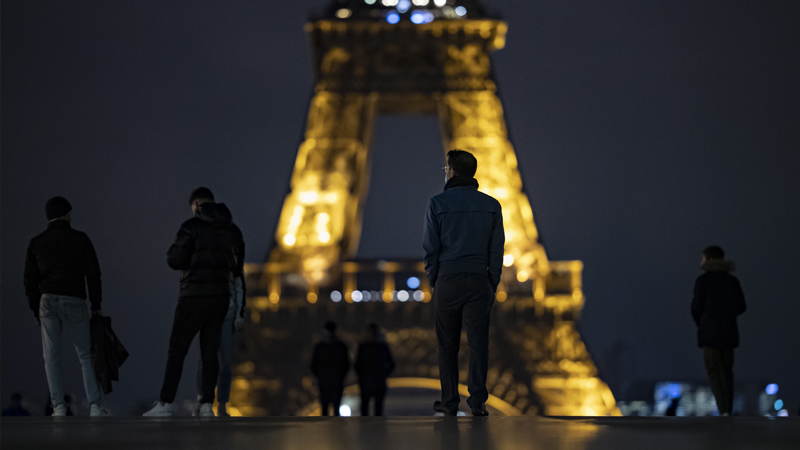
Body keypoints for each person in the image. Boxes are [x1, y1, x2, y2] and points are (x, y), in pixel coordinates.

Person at [144, 187, 245, 417]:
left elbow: (174, 260)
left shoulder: (191, 226)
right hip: (220, 299)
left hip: (193, 297)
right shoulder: (234, 231)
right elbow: (237, 268)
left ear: (196, 204)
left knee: (177, 351)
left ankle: (166, 403)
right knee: (210, 353)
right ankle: (207, 405)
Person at [423, 150, 504, 416]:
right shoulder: (492, 205)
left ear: (452, 171)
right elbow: (497, 249)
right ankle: (478, 400)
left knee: (447, 344)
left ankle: (449, 401)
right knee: (478, 343)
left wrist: (436, 278)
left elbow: (430, 248)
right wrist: (491, 282)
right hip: (479, 279)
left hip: (448, 278)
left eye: (446, 168)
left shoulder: (437, 204)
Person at [24, 197, 109, 417]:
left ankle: (58, 406)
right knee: (85, 354)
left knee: (51, 356)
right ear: (67, 214)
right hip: (74, 299)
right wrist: (96, 305)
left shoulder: (36, 242)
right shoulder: (80, 239)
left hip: (48, 301)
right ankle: (95, 406)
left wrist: (35, 309)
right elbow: (93, 274)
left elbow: (30, 280)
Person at [691, 245, 746, 416]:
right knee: (727, 372)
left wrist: (703, 321)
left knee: (715, 373)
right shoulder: (732, 281)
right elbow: (741, 306)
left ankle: (722, 410)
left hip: (710, 334)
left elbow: (695, 308)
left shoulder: (703, 281)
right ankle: (727, 408)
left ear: (710, 259)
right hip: (729, 334)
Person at [195, 274, 245, 417]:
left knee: (223, 364)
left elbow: (239, 287)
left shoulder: (230, 259)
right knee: (206, 362)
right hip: (208, 316)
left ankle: (218, 404)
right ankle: (204, 402)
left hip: (224, 316)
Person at [355, 323, 395, 416]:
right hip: (379, 381)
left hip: (366, 382)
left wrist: (362, 376)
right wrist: (383, 374)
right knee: (378, 411)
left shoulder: (363, 347)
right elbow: (392, 364)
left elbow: (357, 364)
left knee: (364, 411)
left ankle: (364, 429)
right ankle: (378, 429)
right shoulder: (382, 347)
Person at [311, 321, 350, 416]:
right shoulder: (341, 346)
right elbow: (346, 364)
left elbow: (313, 365)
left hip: (324, 382)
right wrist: (341, 377)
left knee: (324, 409)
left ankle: (325, 430)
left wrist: (320, 376)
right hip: (337, 382)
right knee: (336, 409)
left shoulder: (319, 347)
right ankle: (337, 430)